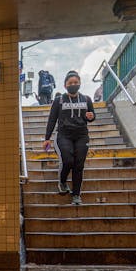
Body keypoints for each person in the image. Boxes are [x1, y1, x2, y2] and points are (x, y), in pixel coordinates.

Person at [42, 70, 96, 205]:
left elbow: (91, 116)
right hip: (64, 135)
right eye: (70, 83)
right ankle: (62, 181)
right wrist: (47, 138)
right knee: (68, 160)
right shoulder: (59, 100)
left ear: (80, 83)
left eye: (76, 82)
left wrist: (91, 117)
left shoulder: (86, 99)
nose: (73, 84)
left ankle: (76, 195)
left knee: (79, 165)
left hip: (81, 136)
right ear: (65, 85)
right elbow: (52, 119)